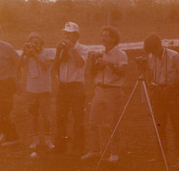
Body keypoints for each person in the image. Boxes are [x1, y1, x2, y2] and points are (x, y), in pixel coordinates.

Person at [82, 26, 128, 163]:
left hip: (113, 90)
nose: (103, 38)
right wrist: (94, 64)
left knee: (113, 122)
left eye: (106, 36)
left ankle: (114, 152)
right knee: (93, 121)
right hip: (99, 90)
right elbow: (92, 74)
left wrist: (109, 64)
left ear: (113, 38)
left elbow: (123, 72)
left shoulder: (121, 54)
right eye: (102, 35)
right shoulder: (99, 53)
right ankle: (95, 151)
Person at [144, 33, 179, 163]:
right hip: (158, 94)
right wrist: (153, 86)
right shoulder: (151, 57)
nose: (154, 53)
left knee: (177, 125)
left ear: (160, 46)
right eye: (151, 51)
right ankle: (161, 155)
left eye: (155, 50)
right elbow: (151, 75)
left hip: (172, 93)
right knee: (159, 126)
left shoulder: (174, 56)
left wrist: (173, 86)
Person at [52, 21, 87, 155]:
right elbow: (55, 67)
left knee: (78, 118)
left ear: (76, 35)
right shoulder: (62, 48)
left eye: (70, 34)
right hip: (63, 87)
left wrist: (72, 48)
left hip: (76, 87)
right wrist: (58, 51)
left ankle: (78, 147)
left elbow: (80, 64)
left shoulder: (83, 48)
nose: (66, 37)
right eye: (65, 33)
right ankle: (60, 146)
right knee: (61, 117)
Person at [17, 32, 55, 151]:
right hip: (32, 90)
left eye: (36, 43)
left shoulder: (49, 52)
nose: (34, 45)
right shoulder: (28, 54)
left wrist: (34, 54)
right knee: (33, 116)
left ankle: (48, 140)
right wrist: (24, 52)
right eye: (32, 43)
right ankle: (36, 140)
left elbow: (45, 66)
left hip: (44, 90)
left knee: (45, 115)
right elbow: (17, 66)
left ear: (42, 44)